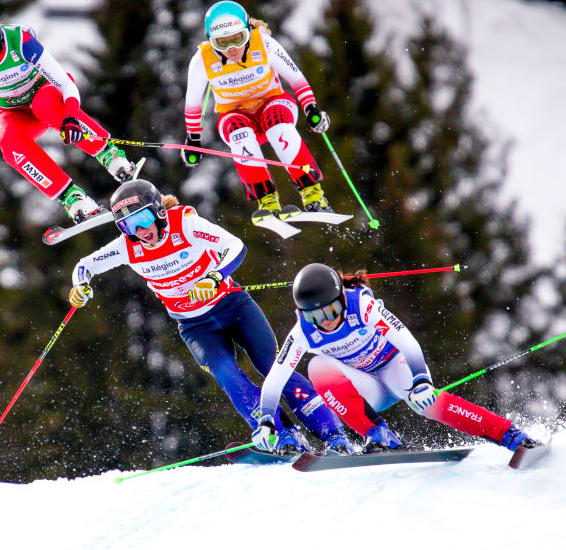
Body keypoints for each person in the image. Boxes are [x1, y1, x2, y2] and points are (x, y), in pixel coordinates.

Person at [67, 179, 352, 455]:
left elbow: (236, 246)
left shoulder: (185, 224)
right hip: (196, 326)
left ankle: (334, 435)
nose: (140, 231)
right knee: (227, 374)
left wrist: (215, 277)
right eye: (128, 225)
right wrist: (81, 287)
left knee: (273, 367)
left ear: (158, 211)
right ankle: (280, 434)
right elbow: (84, 266)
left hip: (234, 307)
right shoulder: (126, 247)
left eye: (142, 219)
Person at [252, 263, 539, 454]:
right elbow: (277, 377)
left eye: (330, 311)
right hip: (366, 387)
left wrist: (421, 379)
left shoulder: (361, 305)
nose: (325, 321)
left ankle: (510, 435)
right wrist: (266, 420)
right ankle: (378, 434)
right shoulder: (302, 331)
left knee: (428, 405)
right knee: (318, 367)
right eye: (315, 316)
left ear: (341, 298)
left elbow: (406, 341)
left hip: (395, 368)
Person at [0, 0, 139, 223]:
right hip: (16, 111)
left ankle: (110, 155)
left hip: (47, 94)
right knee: (8, 143)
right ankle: (71, 197)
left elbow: (66, 85)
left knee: (44, 104)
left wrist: (71, 118)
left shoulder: (20, 42)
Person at [181, 0, 333, 219]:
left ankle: (312, 193)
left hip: (274, 104)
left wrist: (311, 109)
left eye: (237, 39)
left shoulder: (265, 44)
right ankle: (267, 200)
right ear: (211, 41)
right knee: (237, 131)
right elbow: (193, 103)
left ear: (248, 32)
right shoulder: (201, 60)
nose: (231, 49)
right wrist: (193, 139)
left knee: (277, 124)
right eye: (222, 43)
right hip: (235, 114)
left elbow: (296, 79)